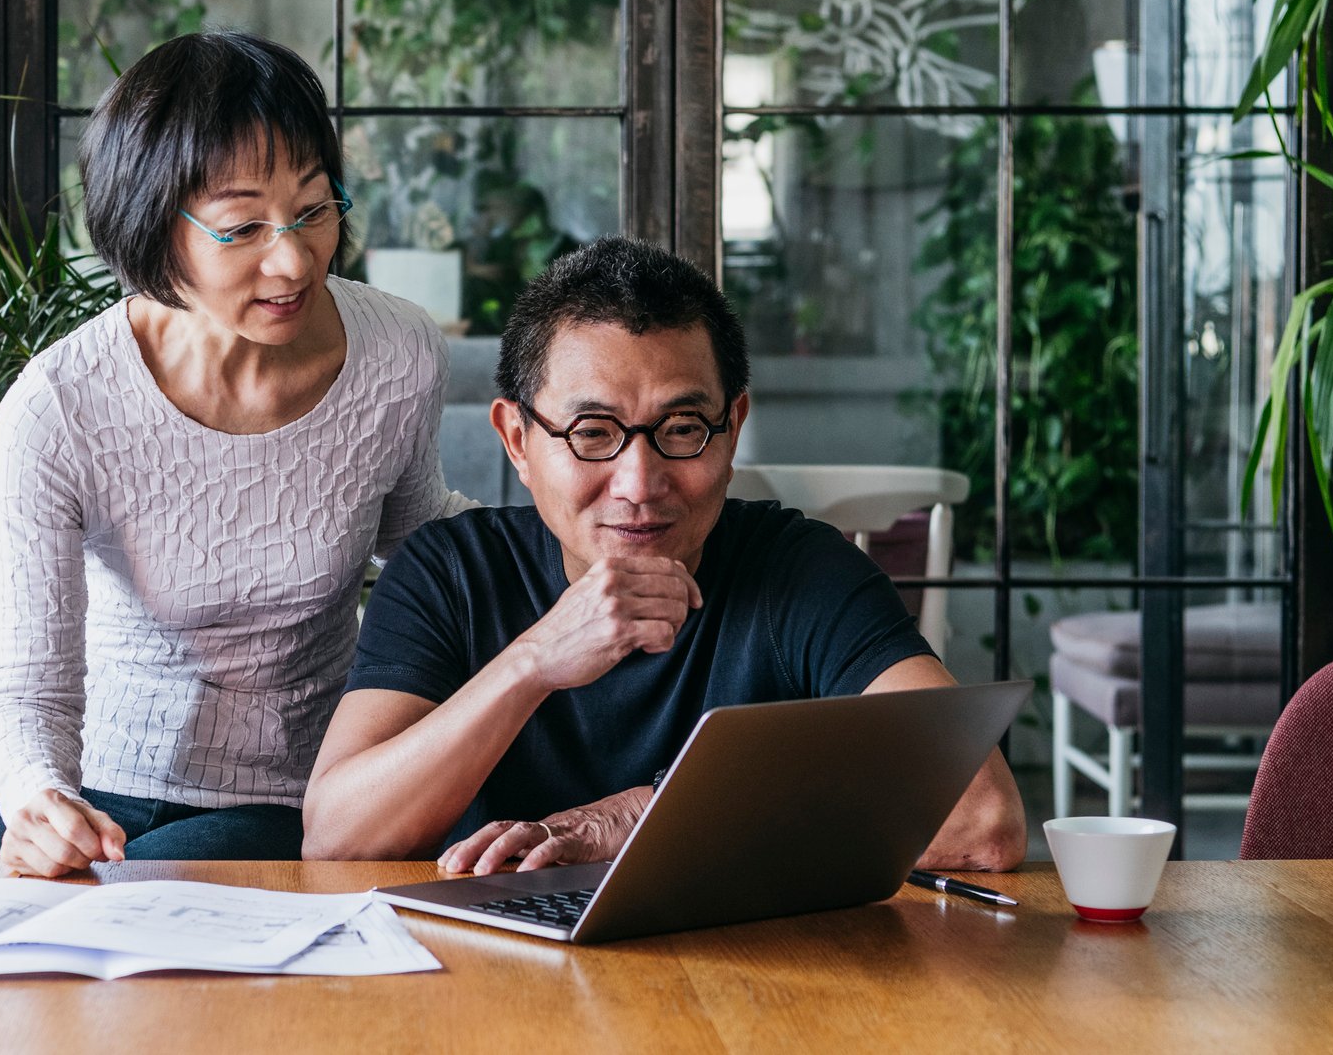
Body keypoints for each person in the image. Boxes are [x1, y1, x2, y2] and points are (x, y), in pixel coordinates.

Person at [302, 237, 1025, 874]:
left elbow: (981, 821)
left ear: (731, 427)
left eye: (682, 429)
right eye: (591, 431)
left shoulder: (799, 570)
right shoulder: (450, 572)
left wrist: (638, 815)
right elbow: (337, 837)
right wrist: (534, 660)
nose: (640, 485)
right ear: (517, 440)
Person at [0, 31, 470, 875]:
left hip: (275, 797)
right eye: (243, 228)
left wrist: (574, 542)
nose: (292, 258)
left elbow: (421, 540)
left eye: (313, 209)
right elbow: (29, 687)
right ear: (154, 225)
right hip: (78, 784)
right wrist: (38, 796)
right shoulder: (57, 407)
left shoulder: (397, 351)